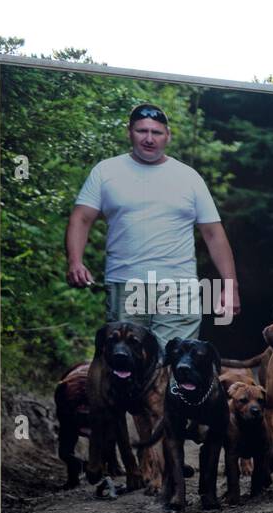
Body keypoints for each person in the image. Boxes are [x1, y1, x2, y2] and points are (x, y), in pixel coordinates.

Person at [66, 103, 241, 350]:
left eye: (156, 133)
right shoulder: (106, 171)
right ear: (130, 132)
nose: (149, 139)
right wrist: (75, 261)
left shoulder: (188, 177)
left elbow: (213, 234)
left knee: (174, 365)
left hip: (178, 287)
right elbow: (81, 218)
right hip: (126, 284)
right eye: (142, 131)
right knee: (126, 366)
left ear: (167, 136)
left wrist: (230, 285)